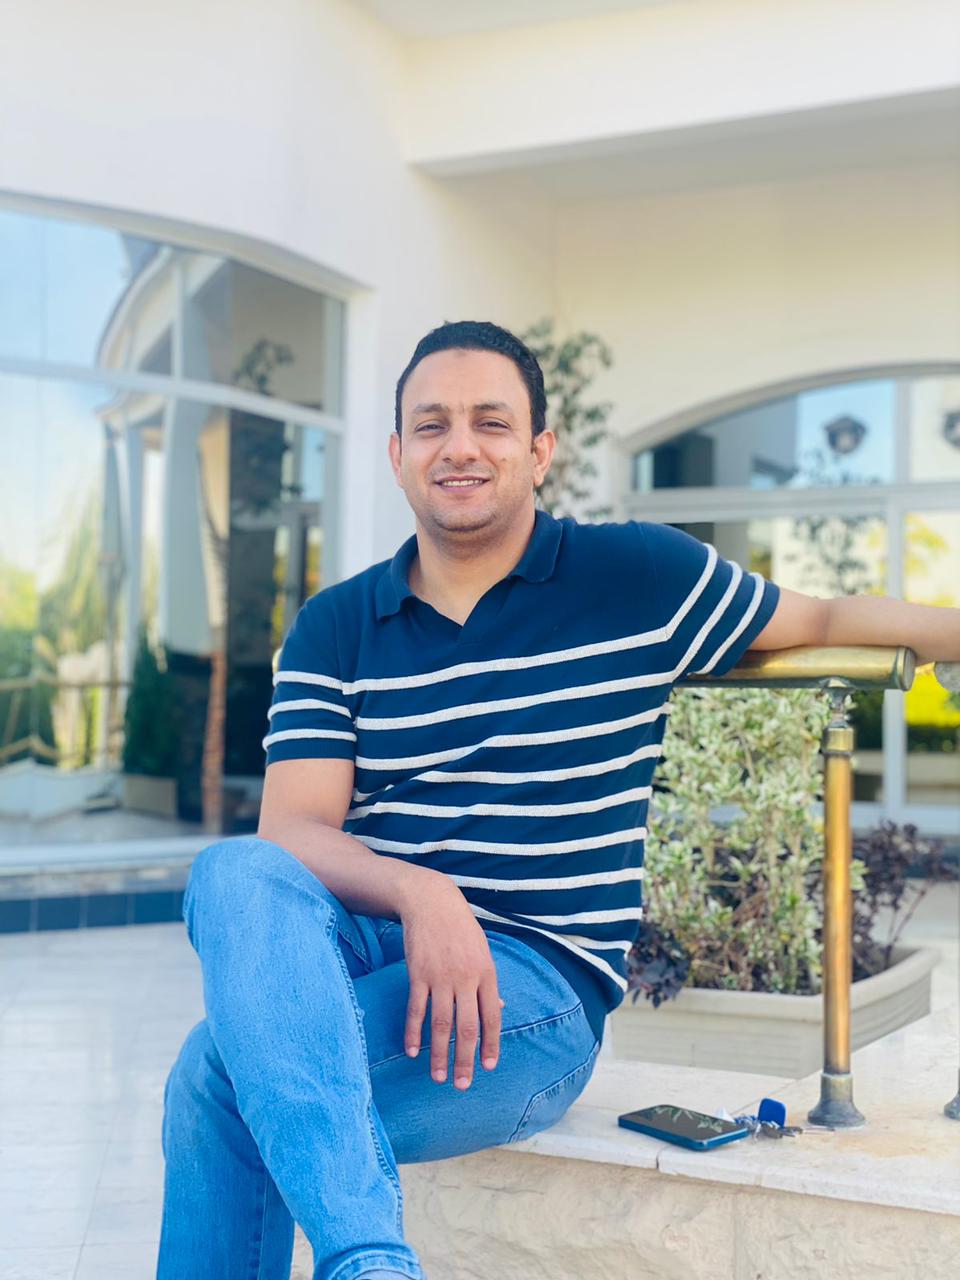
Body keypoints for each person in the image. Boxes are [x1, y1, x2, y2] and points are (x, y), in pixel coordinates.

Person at [157, 320, 960, 1280]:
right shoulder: (336, 625)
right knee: (235, 870)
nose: (459, 446)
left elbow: (821, 619)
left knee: (216, 1078)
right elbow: (292, 830)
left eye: (490, 422)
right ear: (398, 455)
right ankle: (371, 1264)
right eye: (432, 425)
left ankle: (366, 1261)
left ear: (540, 451)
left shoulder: (635, 577)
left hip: (536, 991)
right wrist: (422, 893)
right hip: (374, 940)